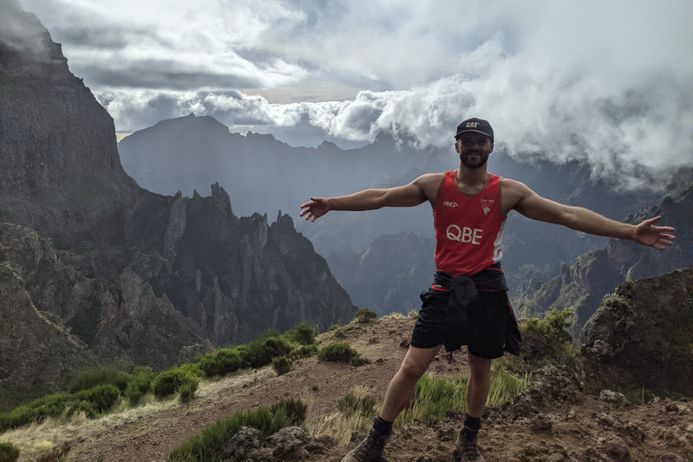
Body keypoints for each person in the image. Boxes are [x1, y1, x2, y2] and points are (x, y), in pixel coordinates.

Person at [299, 117, 676, 462]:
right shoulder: (435, 185)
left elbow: (567, 214)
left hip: (487, 288)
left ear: (491, 147)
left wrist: (629, 232)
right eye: (467, 140)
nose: (474, 146)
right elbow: (381, 197)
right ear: (457, 146)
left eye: (481, 140)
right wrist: (333, 203)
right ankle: (375, 443)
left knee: (481, 368)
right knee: (412, 366)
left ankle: (468, 441)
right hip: (445, 287)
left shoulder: (507, 193)